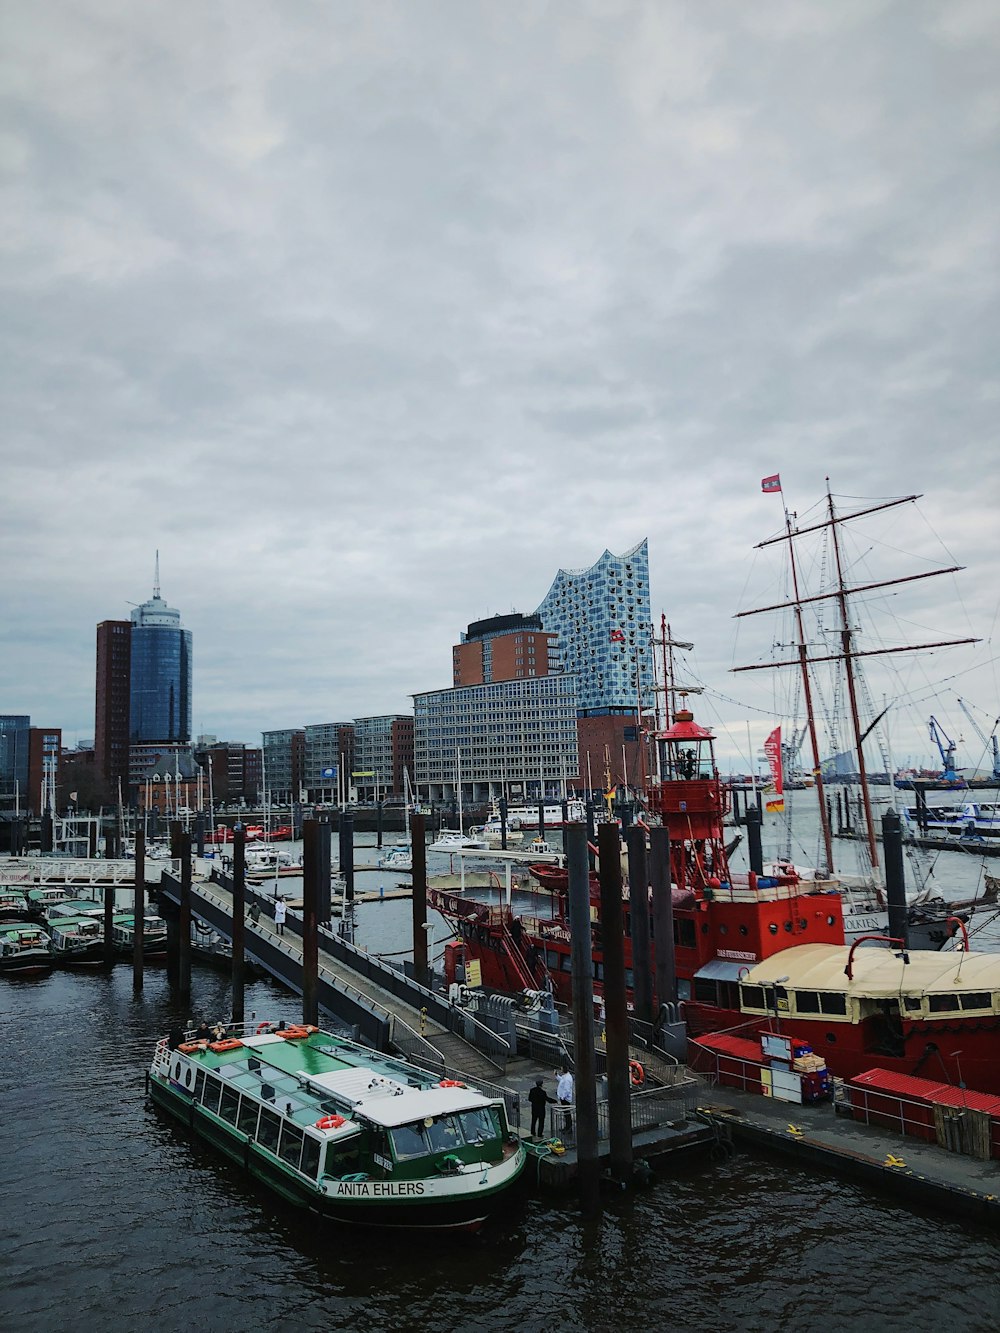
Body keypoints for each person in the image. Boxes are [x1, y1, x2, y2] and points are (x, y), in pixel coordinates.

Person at [528, 1075, 555, 1139]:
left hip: (534, 1108)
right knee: (541, 1122)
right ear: (541, 1085)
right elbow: (547, 1099)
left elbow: (529, 1099)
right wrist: (554, 1101)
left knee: (533, 1121)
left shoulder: (532, 1090)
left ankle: (533, 1132)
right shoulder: (543, 1092)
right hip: (541, 1109)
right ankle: (539, 1134)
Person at [557, 1067, 574, 1133]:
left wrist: (562, 1097)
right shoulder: (565, 1077)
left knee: (567, 1114)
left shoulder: (567, 1079)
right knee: (566, 1114)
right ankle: (567, 1127)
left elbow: (566, 1089)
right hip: (564, 1098)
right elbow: (561, 1080)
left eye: (561, 1069)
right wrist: (557, 1076)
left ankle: (568, 1128)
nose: (560, 1070)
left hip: (565, 1099)